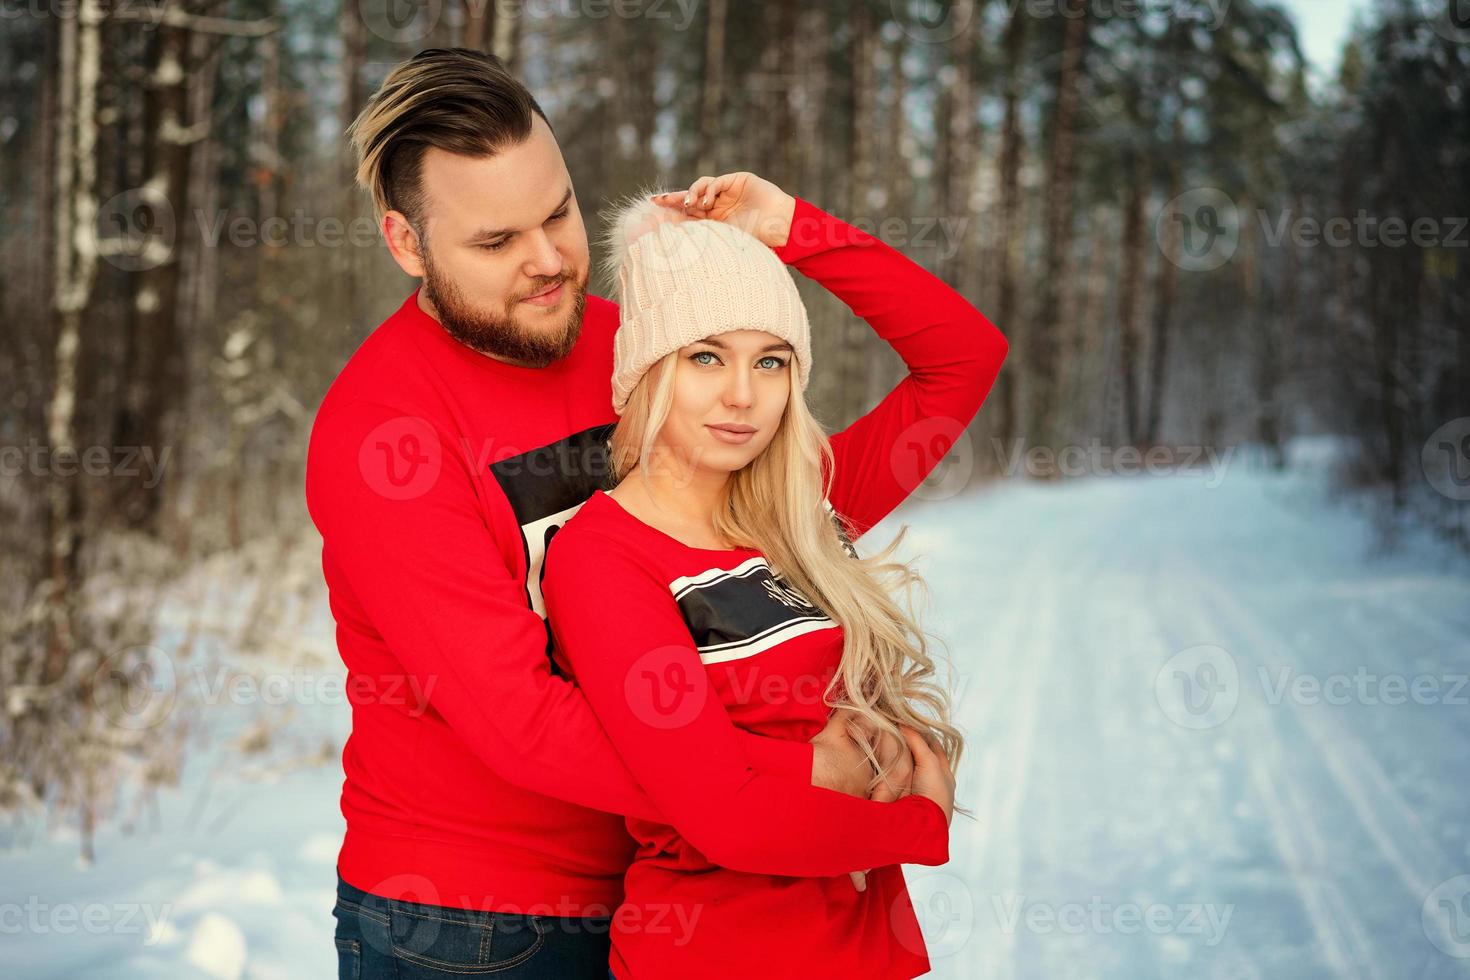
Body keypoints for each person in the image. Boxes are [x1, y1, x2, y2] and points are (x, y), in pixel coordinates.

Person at [307, 48, 1004, 979]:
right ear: (406, 244)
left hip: (686, 890)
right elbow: (521, 721)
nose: (550, 260)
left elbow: (949, 373)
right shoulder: (384, 433)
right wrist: (791, 775)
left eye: (557, 212)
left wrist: (794, 229)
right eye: (495, 241)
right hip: (476, 922)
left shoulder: (656, 355)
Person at [539, 177, 1005, 980]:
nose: (744, 396)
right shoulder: (604, 557)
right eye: (706, 356)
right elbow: (725, 815)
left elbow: (965, 357)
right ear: (648, 370)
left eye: (773, 360)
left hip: (861, 950)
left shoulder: (803, 505)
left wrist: (795, 227)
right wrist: (916, 824)